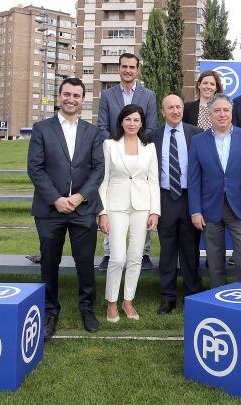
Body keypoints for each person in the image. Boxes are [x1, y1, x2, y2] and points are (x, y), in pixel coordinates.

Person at [27, 77, 105, 339]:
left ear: (83, 100)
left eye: (76, 95)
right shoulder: (41, 129)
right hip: (50, 211)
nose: (71, 99)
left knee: (85, 263)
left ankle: (87, 308)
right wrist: (56, 199)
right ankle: (50, 310)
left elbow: (98, 169)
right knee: (50, 263)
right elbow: (35, 169)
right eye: (67, 94)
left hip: (82, 209)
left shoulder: (92, 132)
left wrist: (80, 196)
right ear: (59, 96)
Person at [189, 93, 241, 288]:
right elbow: (193, 179)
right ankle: (218, 298)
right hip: (210, 207)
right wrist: (195, 210)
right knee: (214, 257)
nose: (222, 114)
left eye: (226, 110)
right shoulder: (198, 141)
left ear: (231, 112)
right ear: (210, 114)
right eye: (217, 110)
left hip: (240, 206)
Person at [98, 104, 160, 323]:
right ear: (121, 121)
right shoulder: (109, 145)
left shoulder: (149, 147)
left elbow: (153, 180)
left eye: (136, 120)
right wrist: (102, 212)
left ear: (142, 122)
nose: (132, 124)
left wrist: (155, 211)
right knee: (117, 257)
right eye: (128, 119)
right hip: (115, 205)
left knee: (135, 257)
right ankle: (112, 303)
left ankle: (128, 300)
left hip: (142, 206)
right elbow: (103, 180)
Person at [97, 52, 159, 272]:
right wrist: (114, 146)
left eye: (132, 67)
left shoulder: (149, 95)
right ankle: (109, 253)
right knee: (114, 200)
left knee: (142, 200)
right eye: (124, 66)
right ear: (119, 69)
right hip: (115, 152)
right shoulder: (107, 95)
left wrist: (139, 143)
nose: (128, 70)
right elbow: (102, 125)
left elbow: (151, 126)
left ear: (137, 70)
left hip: (139, 150)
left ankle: (143, 254)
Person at [151, 95, 204, 314]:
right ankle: (168, 297)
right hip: (165, 197)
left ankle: (192, 295)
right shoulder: (152, 137)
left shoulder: (197, 134)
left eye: (178, 107)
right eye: (170, 107)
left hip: (190, 197)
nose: (175, 111)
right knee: (168, 251)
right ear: (162, 112)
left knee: (190, 251)